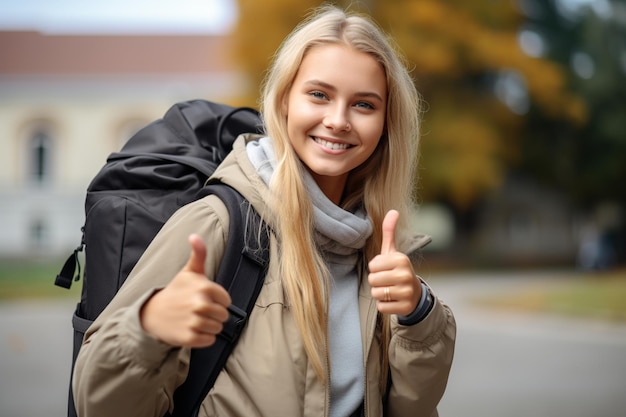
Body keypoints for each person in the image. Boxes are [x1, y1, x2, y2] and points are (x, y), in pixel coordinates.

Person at [72, 5, 456, 417]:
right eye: (319, 95)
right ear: (285, 100)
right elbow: (100, 402)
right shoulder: (217, 221)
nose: (338, 120)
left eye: (364, 104)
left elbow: (413, 407)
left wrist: (418, 312)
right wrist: (148, 327)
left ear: (385, 122)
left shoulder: (377, 244)